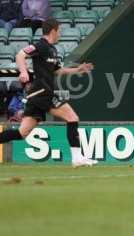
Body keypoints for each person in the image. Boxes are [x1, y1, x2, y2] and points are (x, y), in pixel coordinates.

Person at [0, 18, 97, 167]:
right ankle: (77, 158)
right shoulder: (41, 46)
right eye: (59, 30)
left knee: (21, 133)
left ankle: (78, 158)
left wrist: (78, 70)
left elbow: (58, 70)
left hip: (37, 95)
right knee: (72, 117)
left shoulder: (52, 49)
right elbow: (20, 54)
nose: (60, 34)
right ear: (53, 31)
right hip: (42, 92)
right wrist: (24, 71)